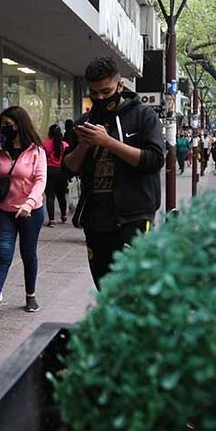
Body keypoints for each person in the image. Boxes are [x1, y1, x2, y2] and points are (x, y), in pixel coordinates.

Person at [62, 56, 165, 288]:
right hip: (96, 221)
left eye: (105, 92)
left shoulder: (143, 116)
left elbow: (154, 160)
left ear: (120, 86)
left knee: (133, 288)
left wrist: (108, 142)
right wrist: (84, 145)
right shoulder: (85, 122)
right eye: (94, 92)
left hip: (134, 218)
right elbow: (67, 168)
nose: (99, 98)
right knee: (105, 288)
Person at [0, 106, 46, 321]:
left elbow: (40, 180)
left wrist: (29, 203)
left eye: (9, 125)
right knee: (3, 254)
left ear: (20, 124)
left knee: (28, 254)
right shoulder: (1, 150)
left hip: (30, 213)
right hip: (5, 211)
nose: (5, 129)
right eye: (2, 125)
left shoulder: (36, 151)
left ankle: (30, 295)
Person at [43, 123, 69, 226]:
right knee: (61, 195)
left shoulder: (45, 144)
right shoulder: (65, 145)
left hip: (49, 171)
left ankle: (52, 220)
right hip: (61, 172)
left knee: (50, 195)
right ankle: (63, 215)